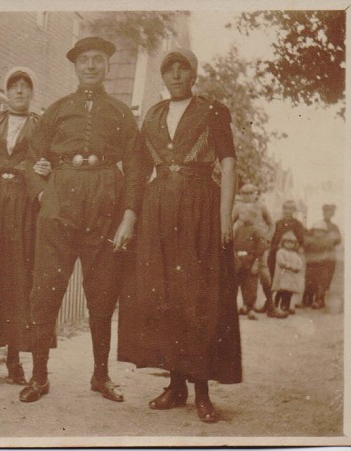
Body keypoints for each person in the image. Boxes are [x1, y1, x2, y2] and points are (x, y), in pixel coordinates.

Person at [117, 48, 242, 423]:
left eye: (182, 69)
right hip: (158, 212)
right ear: (162, 76)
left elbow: (228, 164)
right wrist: (129, 218)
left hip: (200, 211)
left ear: (194, 74)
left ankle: (202, 391)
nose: (175, 75)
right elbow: (138, 171)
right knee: (165, 296)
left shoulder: (213, 111)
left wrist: (224, 217)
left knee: (198, 299)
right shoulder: (153, 115)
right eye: (168, 69)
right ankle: (176, 386)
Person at [18, 36, 143, 403]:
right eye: (84, 60)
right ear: (75, 66)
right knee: (45, 292)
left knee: (103, 295)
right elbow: (32, 160)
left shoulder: (121, 113)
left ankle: (100, 376)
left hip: (105, 207)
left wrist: (129, 215)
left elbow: (135, 167)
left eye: (97, 59)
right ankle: (39, 376)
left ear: (107, 66)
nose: (90, 66)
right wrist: (44, 195)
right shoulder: (57, 110)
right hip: (59, 207)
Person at [0, 67, 47, 388]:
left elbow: (51, 160)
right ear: (5, 91)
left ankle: (15, 360)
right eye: (13, 86)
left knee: (20, 279)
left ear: (31, 92)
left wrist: (46, 166)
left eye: (24, 86)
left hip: (26, 208)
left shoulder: (42, 126)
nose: (19, 91)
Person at [232, 183, 279, 316]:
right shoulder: (237, 207)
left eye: (251, 193)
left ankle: (270, 305)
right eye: (244, 193)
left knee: (263, 273)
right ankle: (247, 305)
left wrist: (267, 238)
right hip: (243, 245)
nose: (248, 196)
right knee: (241, 272)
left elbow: (271, 223)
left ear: (255, 194)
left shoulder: (261, 206)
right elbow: (229, 223)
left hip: (259, 246)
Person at [302, 205, 341, 309]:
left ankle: (320, 300)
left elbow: (337, 240)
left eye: (330, 211)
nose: (328, 213)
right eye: (326, 211)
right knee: (310, 278)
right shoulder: (317, 224)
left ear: (333, 213)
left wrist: (328, 241)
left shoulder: (334, 227)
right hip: (314, 259)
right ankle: (308, 300)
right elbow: (308, 238)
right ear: (323, 212)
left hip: (327, 259)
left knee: (324, 280)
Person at [233, 208, 268, 320]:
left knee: (250, 286)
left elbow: (261, 247)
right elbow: (233, 243)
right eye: (241, 213)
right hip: (238, 260)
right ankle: (235, 308)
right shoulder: (238, 229)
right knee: (234, 284)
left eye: (245, 213)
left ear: (253, 217)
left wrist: (256, 263)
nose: (241, 215)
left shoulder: (257, 230)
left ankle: (250, 308)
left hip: (250, 260)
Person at [271, 231, 304, 312]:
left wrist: (298, 267)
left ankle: (286, 306)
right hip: (283, 274)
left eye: (292, 243)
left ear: (295, 244)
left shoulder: (295, 254)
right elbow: (281, 262)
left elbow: (300, 262)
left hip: (291, 276)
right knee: (281, 291)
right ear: (283, 243)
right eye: (287, 242)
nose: (289, 245)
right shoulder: (281, 252)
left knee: (289, 292)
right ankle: (277, 305)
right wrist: (289, 266)